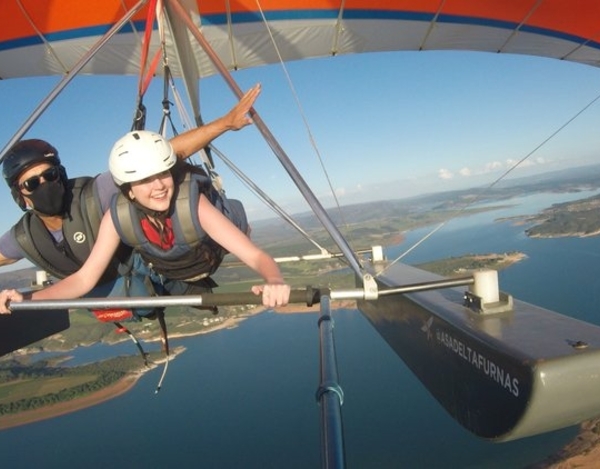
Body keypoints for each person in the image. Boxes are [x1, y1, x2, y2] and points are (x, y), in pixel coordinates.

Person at [0, 84, 261, 316]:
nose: (44, 185)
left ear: (61, 174)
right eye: (32, 183)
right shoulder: (25, 237)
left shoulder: (96, 193)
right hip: (110, 290)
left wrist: (226, 123)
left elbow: (167, 153)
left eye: (50, 175)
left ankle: (189, 279)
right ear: (20, 195)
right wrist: (21, 298)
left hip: (149, 271)